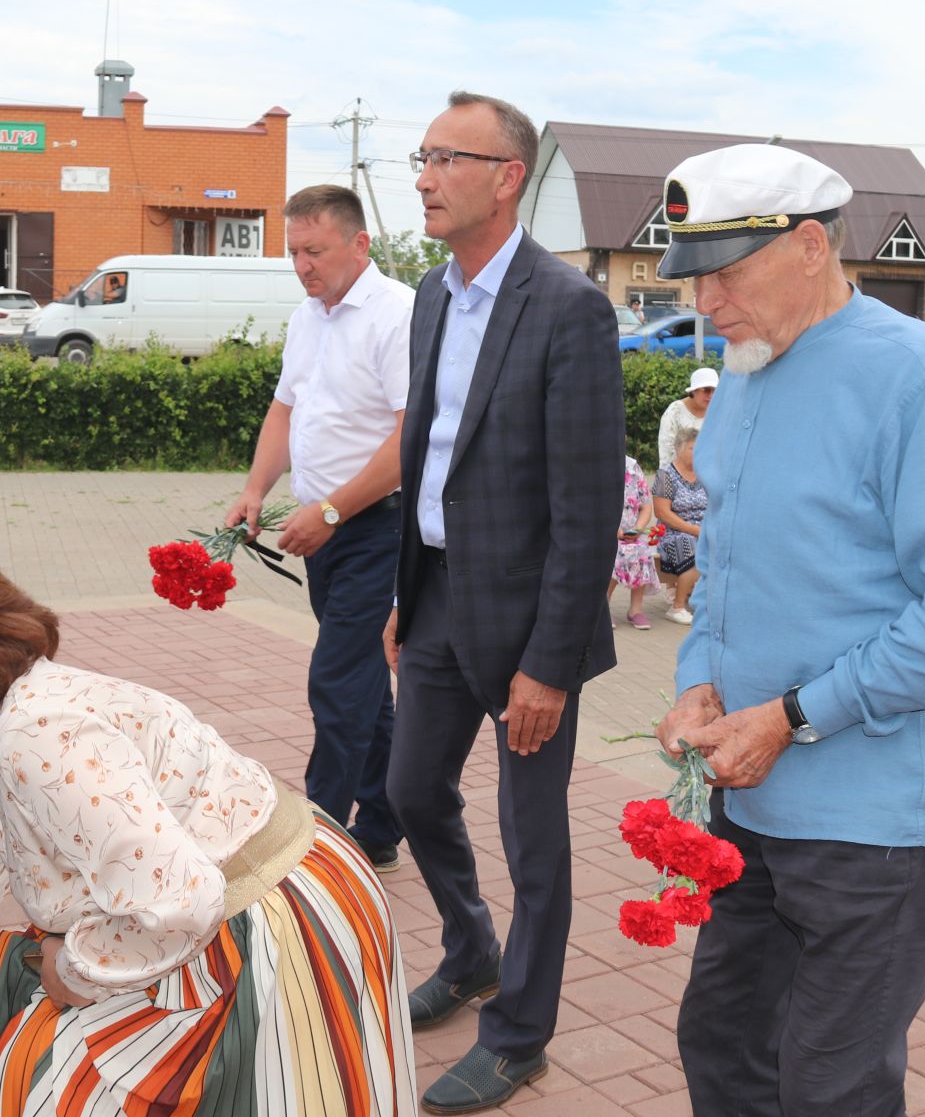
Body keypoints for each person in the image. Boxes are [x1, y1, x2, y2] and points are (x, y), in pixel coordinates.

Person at [0, 557, 416, 1117]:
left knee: (63, 1076)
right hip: (234, 894)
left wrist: (75, 968)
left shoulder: (35, 735)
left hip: (272, 907)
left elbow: (182, 900)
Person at [647, 143, 925, 1116]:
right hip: (757, 809)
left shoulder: (918, 380)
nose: (708, 299)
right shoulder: (749, 367)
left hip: (875, 822)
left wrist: (794, 715)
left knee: (830, 1086)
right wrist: (698, 676)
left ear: (811, 245)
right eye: (695, 274)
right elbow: (726, 563)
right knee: (722, 1040)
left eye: (729, 271)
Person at [383, 90, 623, 1114]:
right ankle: (473, 946)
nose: (425, 176)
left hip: (528, 625)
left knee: (535, 842)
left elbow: (588, 504)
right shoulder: (433, 294)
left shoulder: (569, 306)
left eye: (446, 157)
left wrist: (552, 661)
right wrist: (407, 589)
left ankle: (519, 1031)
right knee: (407, 790)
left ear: (506, 175)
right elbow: (426, 454)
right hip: (436, 598)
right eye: (421, 155)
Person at [225, 183, 413, 870]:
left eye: (315, 250)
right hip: (322, 533)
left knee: (336, 682)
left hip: (376, 529)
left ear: (360, 244)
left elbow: (408, 438)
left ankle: (316, 844)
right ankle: (385, 826)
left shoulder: (398, 316)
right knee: (362, 684)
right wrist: (255, 491)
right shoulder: (307, 317)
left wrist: (332, 510)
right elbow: (285, 409)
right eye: (293, 253)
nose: (303, 266)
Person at [652, 430, 706, 625]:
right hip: (673, 532)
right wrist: (696, 530)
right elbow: (662, 513)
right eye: (693, 448)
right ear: (678, 449)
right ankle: (678, 607)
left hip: (704, 529)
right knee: (691, 545)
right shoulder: (665, 475)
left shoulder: (706, 473)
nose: (698, 451)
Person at [610, 454, 658, 629]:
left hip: (633, 532)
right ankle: (603, 608)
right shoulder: (596, 465)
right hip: (606, 531)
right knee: (617, 554)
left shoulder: (633, 467)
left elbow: (646, 506)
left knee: (642, 551)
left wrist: (637, 529)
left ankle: (635, 611)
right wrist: (612, 528)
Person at [657, 365, 718, 471]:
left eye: (715, 390)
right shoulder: (674, 412)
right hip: (680, 478)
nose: (711, 395)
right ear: (693, 390)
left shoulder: (720, 412)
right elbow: (666, 453)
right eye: (706, 390)